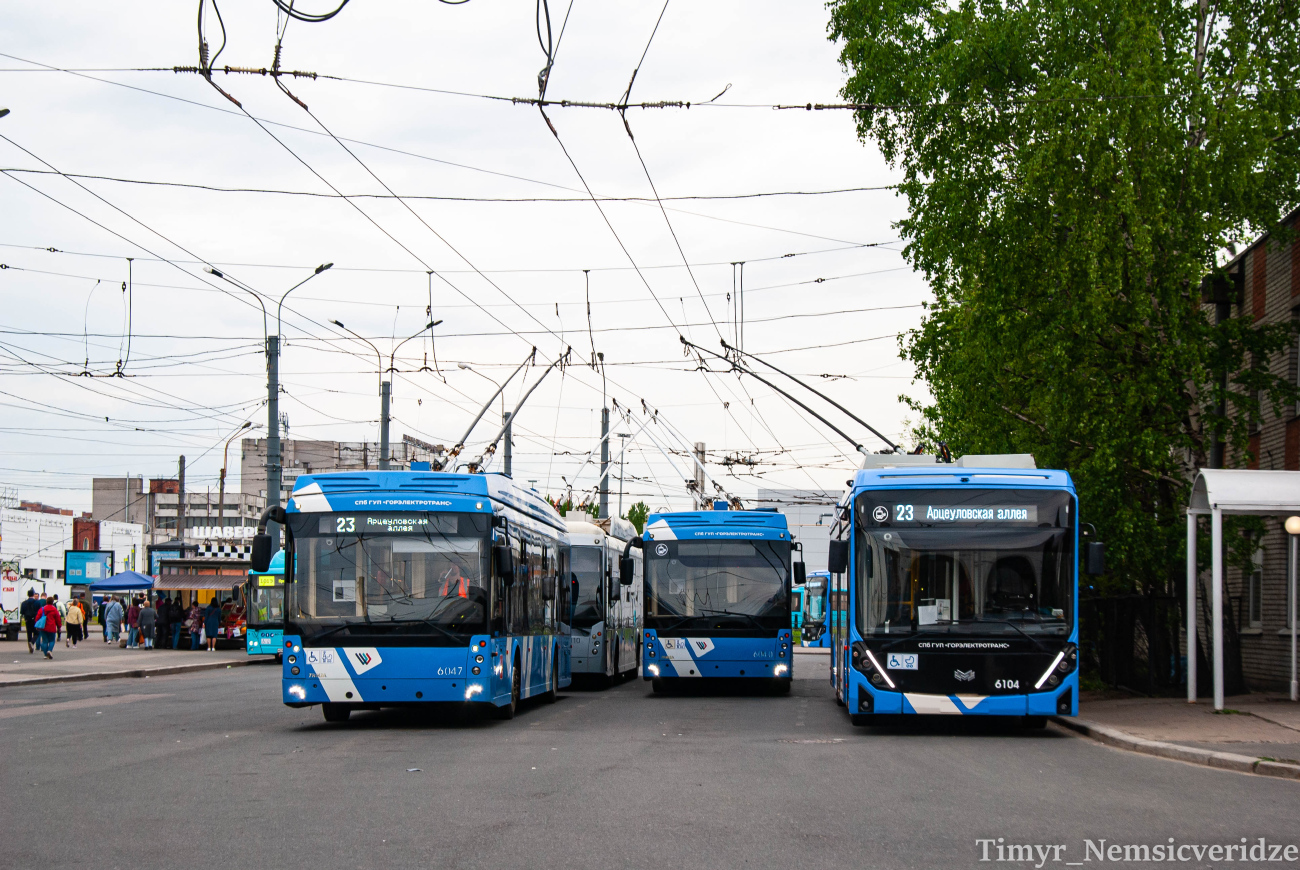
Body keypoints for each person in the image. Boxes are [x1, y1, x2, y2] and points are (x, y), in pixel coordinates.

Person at [35, 595, 61, 659]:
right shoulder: (54, 610)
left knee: (44, 641)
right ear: (52, 602)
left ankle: (45, 654)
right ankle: (49, 650)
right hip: (52, 627)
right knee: (52, 640)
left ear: (46, 602)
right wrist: (59, 627)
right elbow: (58, 619)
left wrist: (37, 625)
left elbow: (37, 617)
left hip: (43, 627)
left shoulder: (42, 609)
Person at [20, 589, 41, 654]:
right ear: (34, 594)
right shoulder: (37, 602)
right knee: (36, 633)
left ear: (27, 595)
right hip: (35, 619)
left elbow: (22, 612)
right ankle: (32, 642)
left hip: (27, 619)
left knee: (29, 633)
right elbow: (40, 611)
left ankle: (29, 644)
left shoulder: (24, 603)